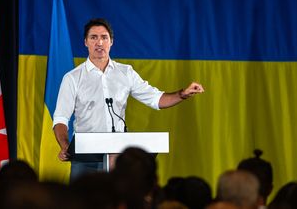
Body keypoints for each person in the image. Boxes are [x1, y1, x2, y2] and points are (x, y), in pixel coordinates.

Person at [52, 18, 205, 180]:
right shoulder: (72, 78)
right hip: (85, 158)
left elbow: (156, 99)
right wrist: (65, 146)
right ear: (85, 42)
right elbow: (61, 118)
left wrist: (183, 94)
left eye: (104, 37)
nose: (99, 42)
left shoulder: (126, 73)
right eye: (93, 37)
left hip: (116, 159)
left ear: (111, 42)